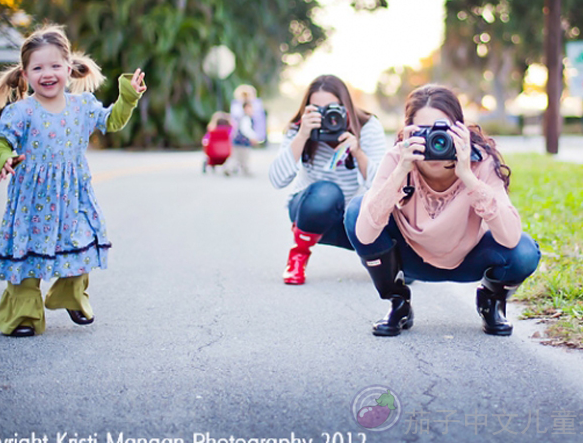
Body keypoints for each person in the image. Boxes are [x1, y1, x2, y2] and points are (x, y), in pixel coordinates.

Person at [0, 24, 147, 337]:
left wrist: (128, 97)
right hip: (32, 200)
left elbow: (111, 120)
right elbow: (0, 140)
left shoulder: (81, 106)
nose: (48, 73)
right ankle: (24, 316)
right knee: (27, 254)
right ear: (26, 72)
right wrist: (3, 157)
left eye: (55, 65)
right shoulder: (21, 112)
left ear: (69, 68)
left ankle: (69, 295)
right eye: (38, 67)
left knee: (81, 247)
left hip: (73, 197)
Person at [345, 84, 540, 337]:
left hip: (468, 259)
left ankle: (491, 301)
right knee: (357, 210)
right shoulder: (398, 159)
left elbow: (511, 238)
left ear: (460, 129)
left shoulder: (479, 161)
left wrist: (467, 176)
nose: (435, 141)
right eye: (424, 131)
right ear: (408, 131)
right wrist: (400, 172)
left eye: (443, 130)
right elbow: (365, 234)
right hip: (410, 258)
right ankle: (398, 303)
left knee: (525, 252)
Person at [269, 74, 387, 284]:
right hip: (310, 210)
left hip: (351, 215)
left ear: (345, 106)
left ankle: (370, 253)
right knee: (326, 191)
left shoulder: (366, 126)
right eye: (317, 109)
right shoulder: (300, 129)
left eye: (332, 108)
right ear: (307, 109)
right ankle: (298, 255)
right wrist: (302, 135)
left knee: (406, 273)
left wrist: (358, 152)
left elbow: (381, 186)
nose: (325, 116)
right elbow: (278, 180)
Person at [228, 101, 259, 176]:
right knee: (243, 157)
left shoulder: (241, 117)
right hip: (243, 141)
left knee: (237, 157)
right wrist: (253, 137)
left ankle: (231, 169)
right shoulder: (246, 118)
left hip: (237, 141)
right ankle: (243, 170)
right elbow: (246, 130)